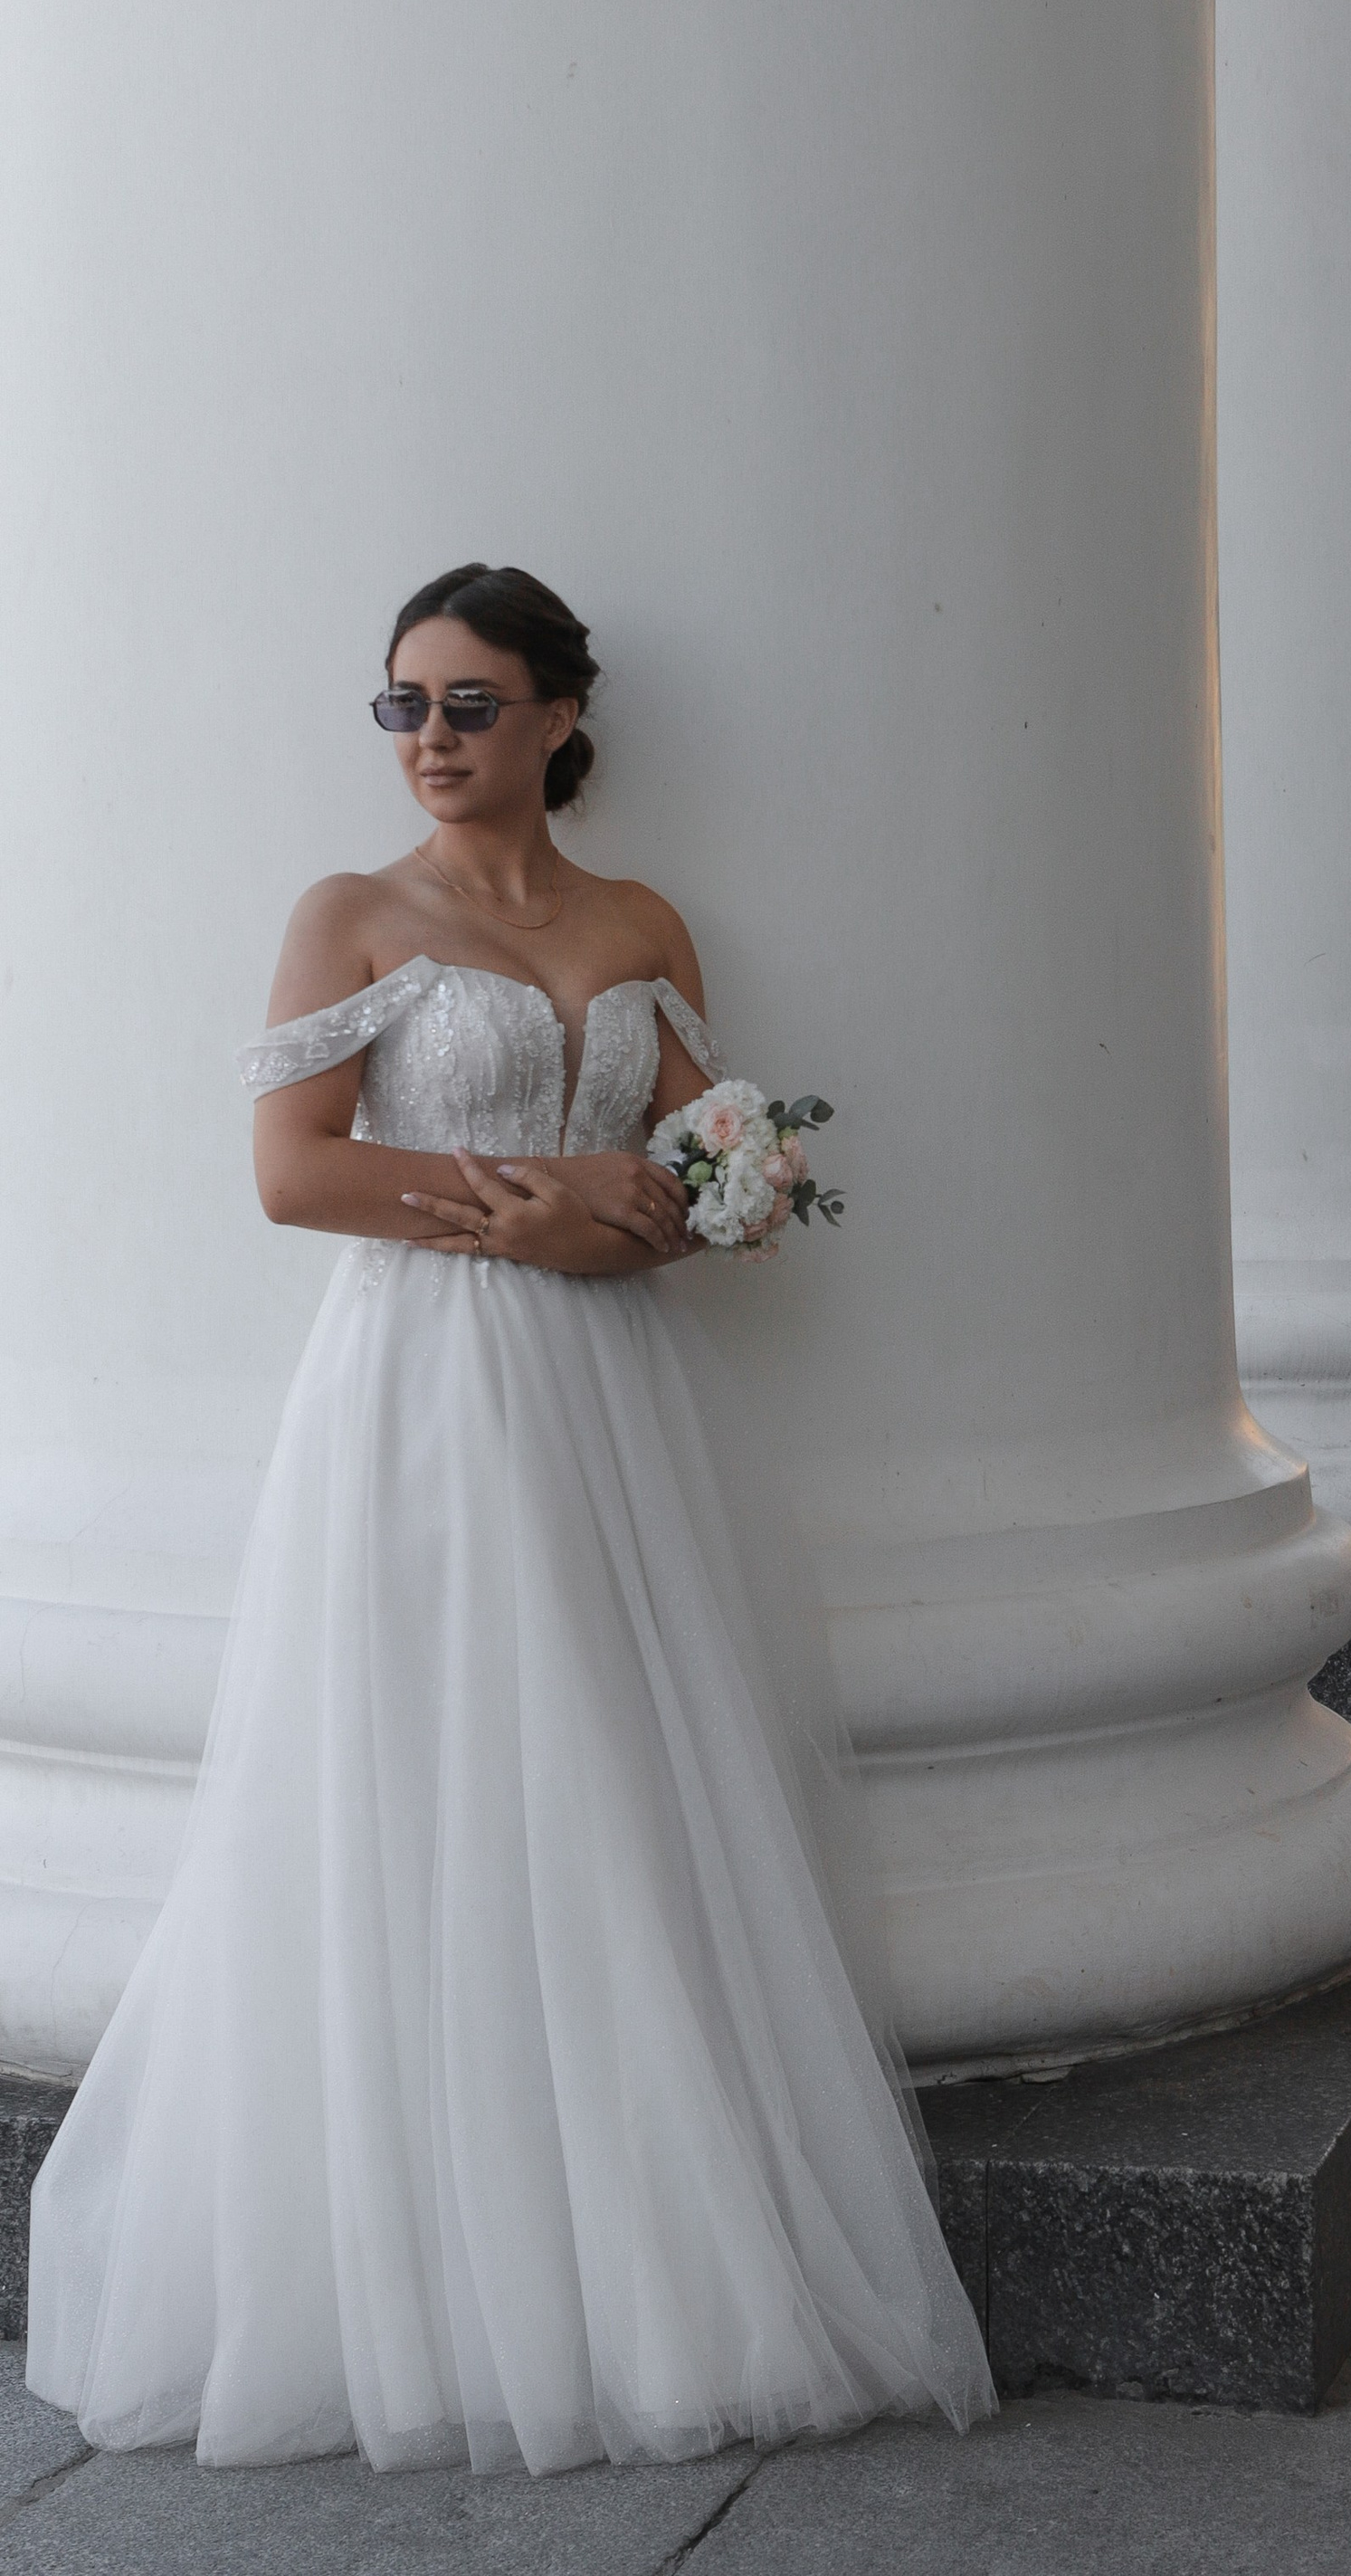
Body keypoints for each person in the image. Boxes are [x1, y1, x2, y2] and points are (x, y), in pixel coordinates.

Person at [27, 564, 994, 2469]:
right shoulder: (350, 914)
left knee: (616, 1769)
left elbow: (729, 1164)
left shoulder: (643, 921)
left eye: (470, 705)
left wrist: (700, 1202)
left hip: (614, 1399)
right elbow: (293, 1176)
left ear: (561, 716)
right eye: (402, 708)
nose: (433, 744)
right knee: (429, 1759)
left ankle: (643, 2246)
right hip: (429, 1387)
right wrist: (535, 1207)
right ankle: (415, 2263)